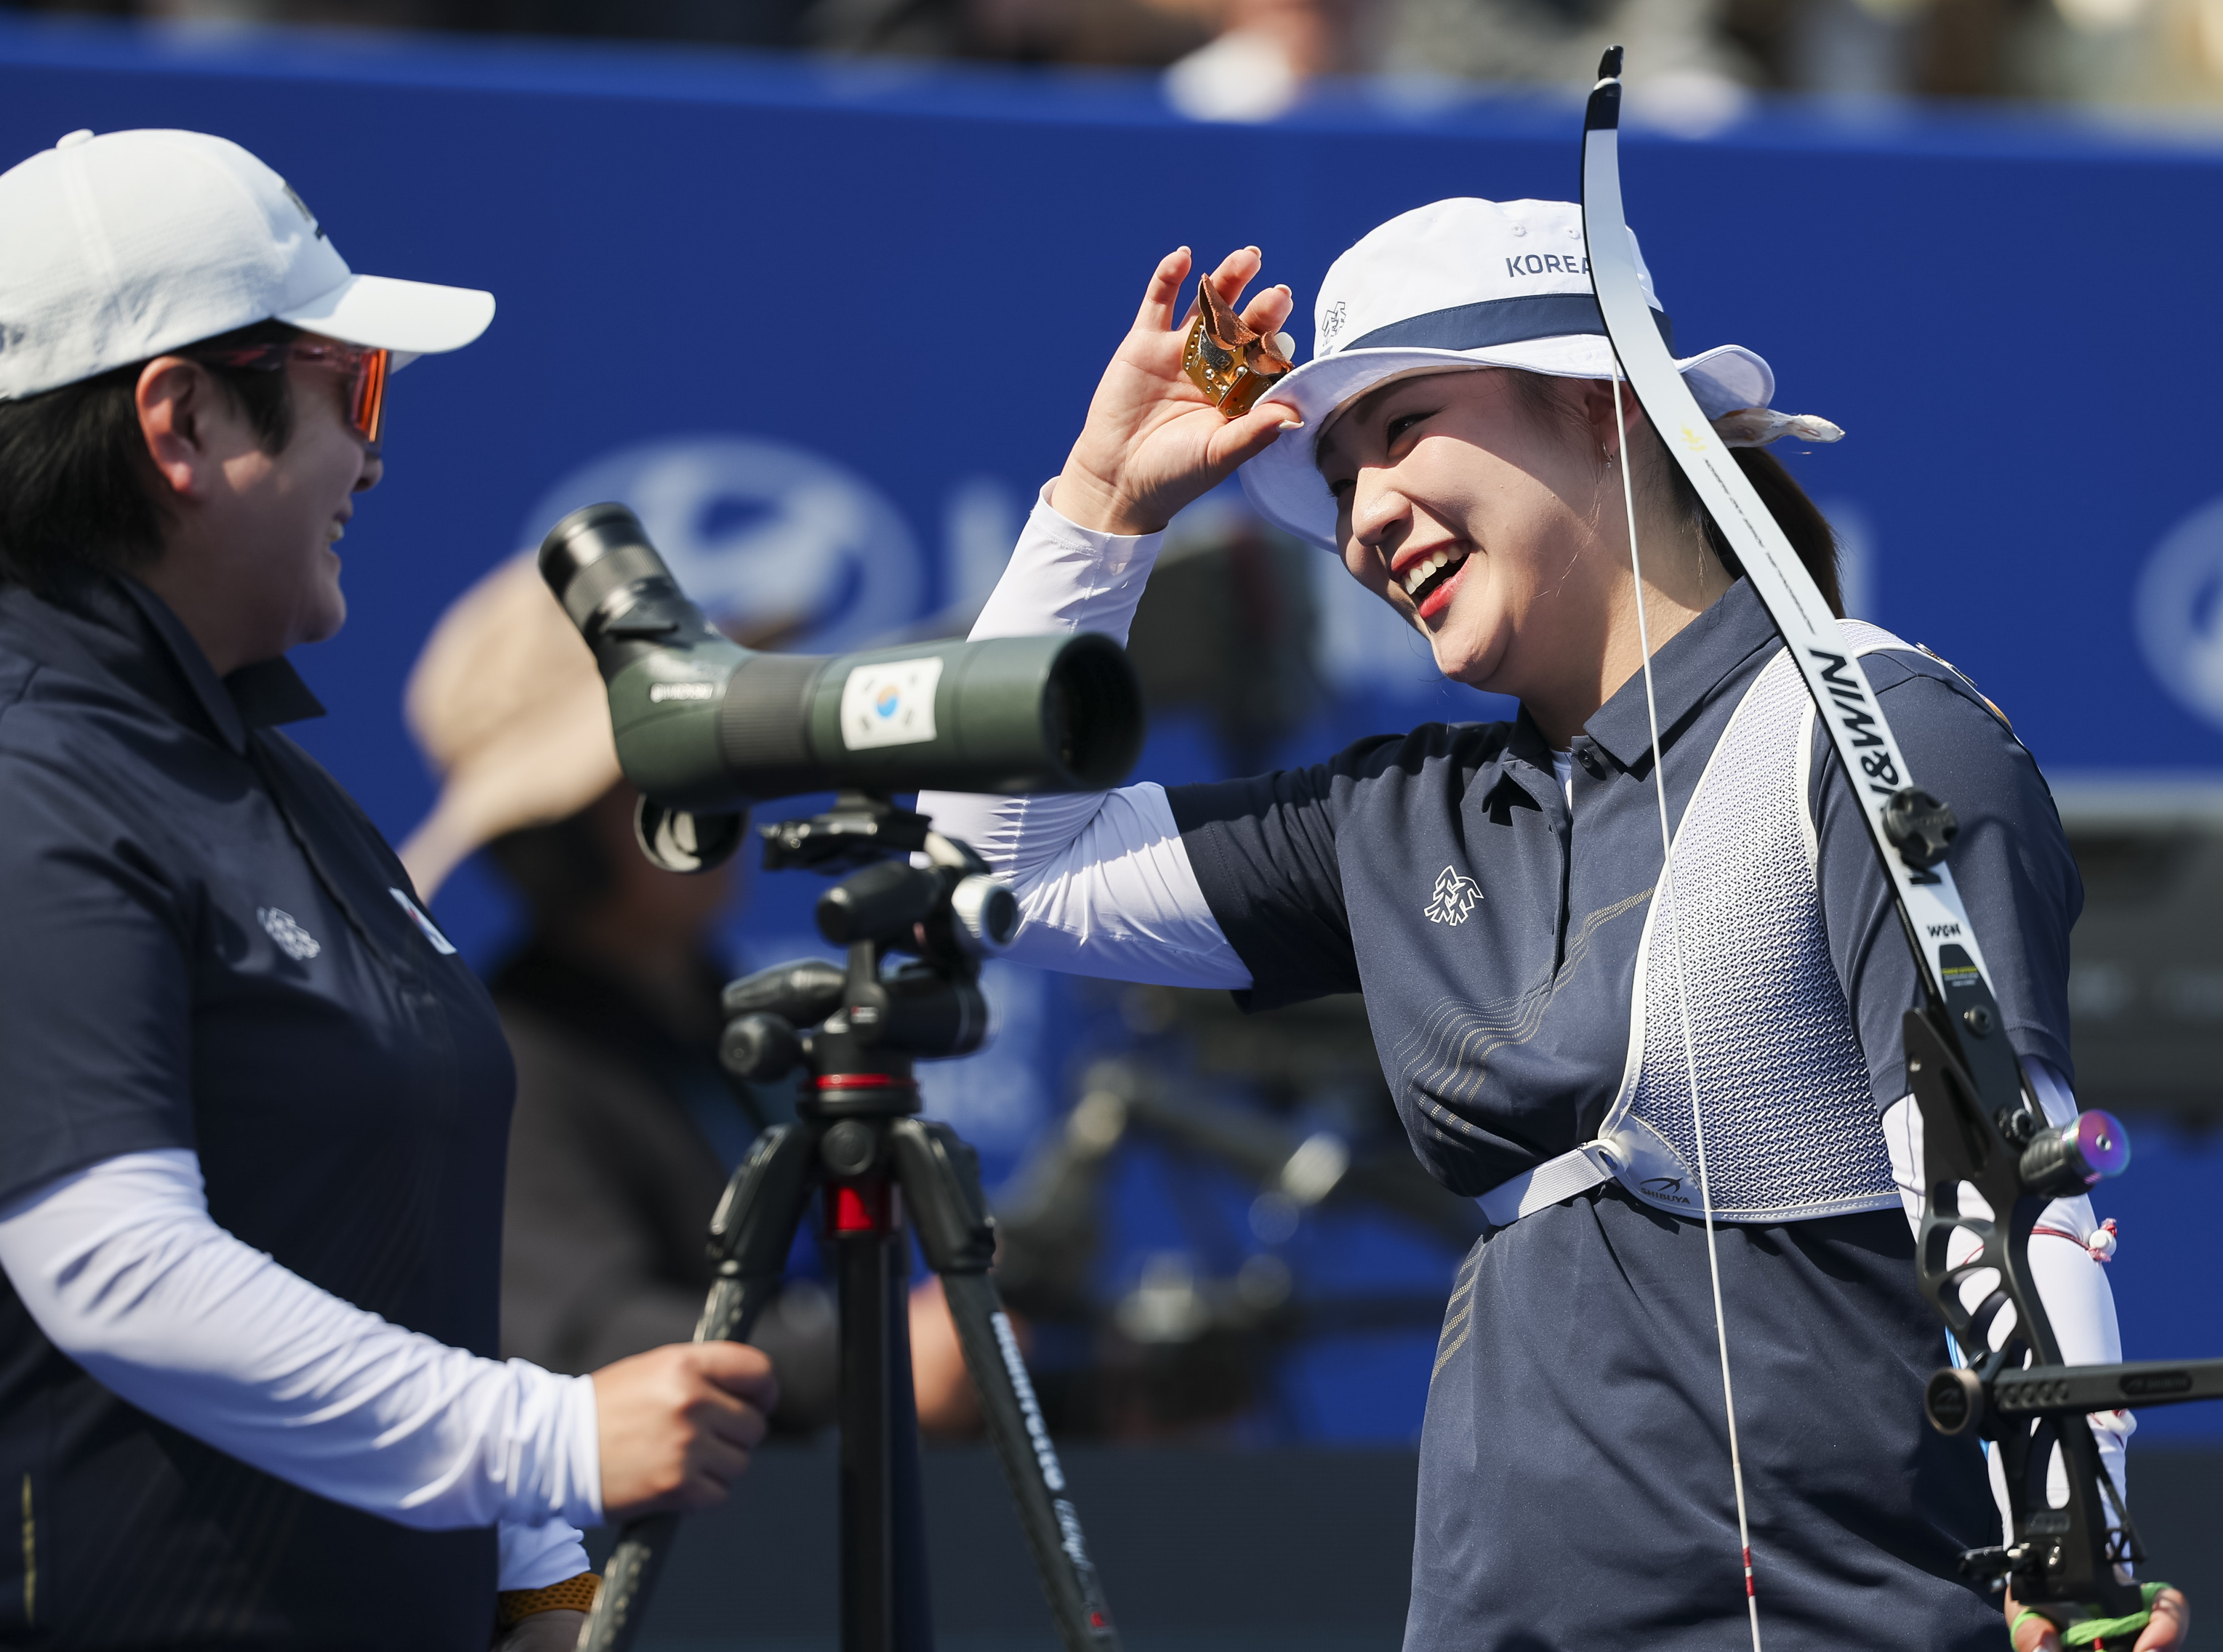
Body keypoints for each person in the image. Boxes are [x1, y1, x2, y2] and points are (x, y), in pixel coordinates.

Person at [917, 202, 2190, 1651]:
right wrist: (1102, 500)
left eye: (1399, 428)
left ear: (1602, 407)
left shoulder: (1869, 728)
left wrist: (2077, 1555)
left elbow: (2008, 1197)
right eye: (1335, 479)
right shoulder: (1403, 815)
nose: (1360, 518)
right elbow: (988, 863)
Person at [0, 129, 777, 1652]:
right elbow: (120, 1270)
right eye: (352, 387)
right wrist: (548, 1440)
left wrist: (535, 1571)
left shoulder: (281, 792)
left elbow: (392, 1257)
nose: (375, 454)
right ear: (181, 419)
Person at [395, 555, 983, 1438]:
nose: (718, 782)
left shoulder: (735, 1010)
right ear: (558, 838)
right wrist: (870, 1356)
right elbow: (588, 1340)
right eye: (657, 759)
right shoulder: (508, 1061)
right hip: (636, 1569)